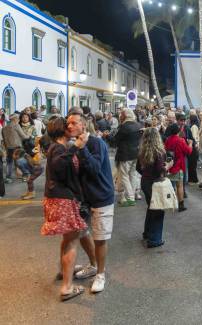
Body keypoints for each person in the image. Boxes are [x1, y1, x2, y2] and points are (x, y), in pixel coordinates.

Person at [66, 109, 116, 293]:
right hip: (84, 199)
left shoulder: (96, 143)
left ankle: (100, 274)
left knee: (100, 239)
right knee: (81, 233)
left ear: (84, 125)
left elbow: (94, 169)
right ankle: (93, 265)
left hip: (101, 197)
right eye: (68, 123)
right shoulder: (75, 144)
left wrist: (82, 148)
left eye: (73, 123)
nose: (69, 126)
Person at [41, 117, 88, 301]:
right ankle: (67, 287)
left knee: (67, 239)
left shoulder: (55, 147)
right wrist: (76, 145)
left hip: (56, 198)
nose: (71, 126)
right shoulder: (59, 148)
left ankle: (63, 271)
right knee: (71, 242)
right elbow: (60, 167)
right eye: (67, 124)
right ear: (62, 130)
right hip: (62, 199)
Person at [137, 128, 173, 248]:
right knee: (158, 210)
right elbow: (159, 170)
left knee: (151, 207)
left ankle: (147, 233)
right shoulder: (159, 151)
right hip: (155, 183)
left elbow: (138, 168)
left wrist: (146, 174)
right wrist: (168, 166)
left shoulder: (142, 150)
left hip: (145, 181)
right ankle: (154, 239)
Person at [110, 108, 142, 206]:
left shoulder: (124, 127)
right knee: (132, 175)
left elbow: (115, 141)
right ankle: (131, 196)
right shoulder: (138, 125)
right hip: (135, 154)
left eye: (121, 114)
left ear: (125, 115)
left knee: (124, 176)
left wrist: (106, 136)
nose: (120, 116)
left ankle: (130, 197)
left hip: (125, 154)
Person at [164, 123, 193, 212]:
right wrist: (190, 144)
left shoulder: (168, 140)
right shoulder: (180, 140)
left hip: (169, 165)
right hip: (178, 165)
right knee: (179, 186)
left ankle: (169, 203)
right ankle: (181, 205)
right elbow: (188, 151)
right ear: (178, 131)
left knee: (169, 186)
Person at [2, 114, 28, 183]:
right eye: (18, 118)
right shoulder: (16, 126)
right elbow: (23, 136)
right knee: (21, 161)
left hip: (9, 147)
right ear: (15, 119)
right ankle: (25, 176)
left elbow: (4, 140)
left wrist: (6, 147)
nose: (19, 120)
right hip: (17, 146)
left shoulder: (4, 127)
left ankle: (8, 178)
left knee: (9, 162)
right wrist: (29, 136)